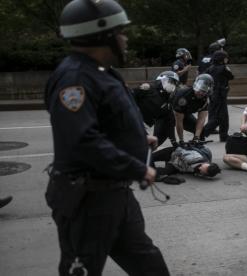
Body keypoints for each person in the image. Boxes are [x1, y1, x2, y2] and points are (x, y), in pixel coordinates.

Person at [43, 1, 170, 275]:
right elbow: (82, 140)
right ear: (101, 35)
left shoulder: (101, 73)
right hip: (88, 201)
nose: (125, 39)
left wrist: (136, 140)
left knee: (149, 265)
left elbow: (107, 122)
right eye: (120, 32)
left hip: (115, 194)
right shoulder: (74, 79)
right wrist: (138, 167)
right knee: (82, 270)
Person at [133, 71, 180, 147]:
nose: (172, 84)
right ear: (163, 80)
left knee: (147, 146)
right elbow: (129, 96)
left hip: (144, 127)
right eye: (171, 81)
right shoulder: (148, 89)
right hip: (132, 120)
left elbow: (170, 122)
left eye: (174, 83)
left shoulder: (168, 100)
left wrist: (173, 141)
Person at [203, 50, 234, 142]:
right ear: (221, 59)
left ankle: (223, 135)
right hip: (220, 94)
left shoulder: (210, 68)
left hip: (212, 94)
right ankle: (202, 133)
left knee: (215, 115)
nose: (227, 59)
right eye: (225, 58)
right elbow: (231, 76)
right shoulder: (223, 68)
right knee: (220, 117)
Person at [172, 74, 212, 144]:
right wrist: (181, 140)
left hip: (185, 113)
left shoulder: (205, 99)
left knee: (201, 133)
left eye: (204, 91)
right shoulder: (183, 96)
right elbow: (179, 121)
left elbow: (201, 119)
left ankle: (196, 151)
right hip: (171, 113)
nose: (200, 93)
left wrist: (196, 138)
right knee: (161, 136)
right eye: (199, 89)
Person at [152, 143, 221, 178]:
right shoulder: (194, 158)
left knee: (165, 172)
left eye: (202, 171)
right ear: (207, 164)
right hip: (171, 153)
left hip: (175, 164)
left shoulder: (204, 171)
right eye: (203, 168)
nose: (200, 169)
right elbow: (179, 150)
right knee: (150, 157)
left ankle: (145, 171)